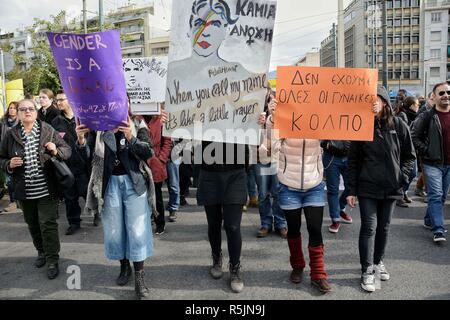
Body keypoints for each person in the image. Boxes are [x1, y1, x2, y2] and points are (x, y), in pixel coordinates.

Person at [76, 107, 155, 299]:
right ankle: (124, 266)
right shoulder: (98, 128)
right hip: (109, 184)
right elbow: (86, 158)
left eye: (122, 102)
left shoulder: (137, 125)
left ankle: (139, 277)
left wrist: (131, 137)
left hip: (134, 184)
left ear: (126, 105)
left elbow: (148, 153)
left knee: (137, 231)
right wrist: (80, 141)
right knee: (114, 231)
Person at [347, 86, 415, 292]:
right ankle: (367, 269)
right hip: (367, 187)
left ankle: (378, 262)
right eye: (368, 100)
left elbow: (409, 156)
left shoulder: (399, 124)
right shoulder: (360, 127)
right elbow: (353, 162)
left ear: (384, 101)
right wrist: (351, 190)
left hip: (391, 188)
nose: (372, 103)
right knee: (369, 227)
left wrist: (402, 179)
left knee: (384, 228)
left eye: (376, 99)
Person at [262, 103, 332, 294]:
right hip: (288, 184)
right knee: (293, 230)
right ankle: (298, 266)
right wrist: (274, 120)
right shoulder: (282, 117)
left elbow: (335, 135)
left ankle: (318, 274)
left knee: (315, 229)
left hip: (314, 184)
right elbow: (270, 149)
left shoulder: (320, 116)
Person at [0, 99, 71, 279]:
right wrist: (8, 163)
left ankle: (53, 259)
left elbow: (67, 150)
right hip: (24, 189)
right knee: (33, 224)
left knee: (48, 224)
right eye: (22, 109)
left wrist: (56, 149)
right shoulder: (11, 134)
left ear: (36, 111)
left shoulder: (47, 130)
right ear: (18, 113)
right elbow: (1, 157)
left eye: (30, 109)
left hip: (46, 188)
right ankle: (41, 251)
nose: (27, 112)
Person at [411, 81, 450, 243]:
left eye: (448, 92)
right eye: (441, 93)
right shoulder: (427, 116)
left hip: (449, 164)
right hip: (432, 163)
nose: (446, 95)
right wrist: (426, 151)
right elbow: (414, 136)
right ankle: (438, 229)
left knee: (442, 197)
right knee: (435, 195)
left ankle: (429, 220)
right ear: (434, 96)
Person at [51, 90, 90, 234]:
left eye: (61, 99)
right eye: (57, 100)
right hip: (66, 166)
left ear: (70, 100)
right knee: (70, 196)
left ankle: (96, 213)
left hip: (83, 164)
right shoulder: (55, 122)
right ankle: (74, 222)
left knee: (87, 192)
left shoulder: (83, 118)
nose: (58, 103)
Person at [256, 90, 287, 238]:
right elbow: (254, 139)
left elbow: (281, 136)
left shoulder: (282, 118)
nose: (273, 104)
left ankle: (280, 223)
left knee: (278, 193)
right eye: (270, 101)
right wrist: (258, 126)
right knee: (262, 194)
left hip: (277, 160)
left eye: (275, 101)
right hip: (262, 159)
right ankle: (266, 223)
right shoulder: (259, 117)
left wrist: (274, 117)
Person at [144, 107, 172, 235]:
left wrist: (161, 159)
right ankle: (145, 221)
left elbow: (167, 141)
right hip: (140, 163)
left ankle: (160, 222)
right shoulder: (136, 118)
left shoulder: (160, 119)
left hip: (155, 163)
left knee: (157, 196)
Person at [320, 139, 352, 233]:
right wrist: (325, 144)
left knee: (352, 187)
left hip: (349, 155)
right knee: (333, 190)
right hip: (331, 156)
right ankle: (335, 219)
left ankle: (339, 208)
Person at [395, 96, 420, 208]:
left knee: (412, 173)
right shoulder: (403, 116)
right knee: (410, 172)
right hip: (405, 150)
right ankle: (399, 195)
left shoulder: (412, 116)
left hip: (411, 149)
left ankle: (403, 193)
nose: (418, 106)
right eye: (417, 104)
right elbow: (404, 135)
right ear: (411, 106)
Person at [0, 101, 20, 213]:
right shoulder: (3, 122)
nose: (12, 110)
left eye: (14, 108)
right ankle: (13, 202)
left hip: (16, 153)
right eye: (10, 108)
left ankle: (19, 201)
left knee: (18, 179)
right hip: (5, 153)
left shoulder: (21, 122)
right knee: (9, 180)